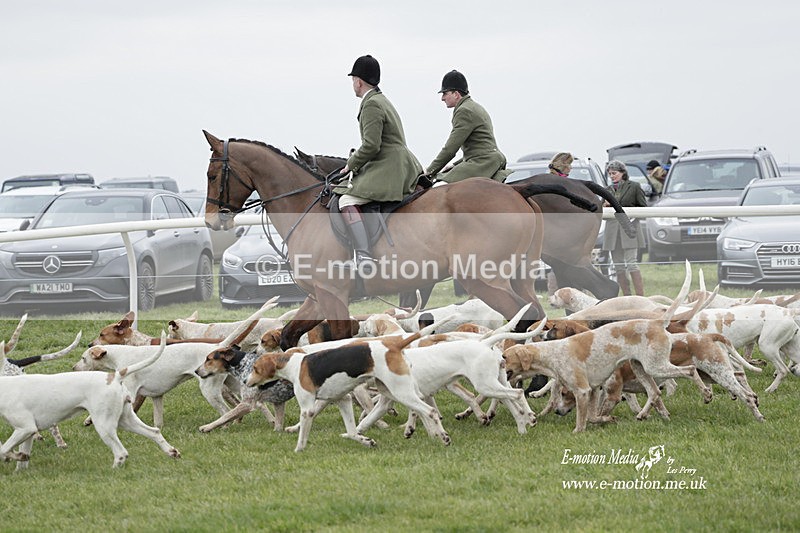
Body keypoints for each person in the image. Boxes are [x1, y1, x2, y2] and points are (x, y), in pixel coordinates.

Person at [335, 54, 423, 269]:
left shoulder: (371, 104)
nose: (353, 85)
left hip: (389, 165)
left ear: (359, 81)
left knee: (346, 201)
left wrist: (351, 164)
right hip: (397, 160)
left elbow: (372, 145)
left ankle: (364, 256)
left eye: (353, 80)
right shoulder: (381, 99)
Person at [423, 70, 511, 184]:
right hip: (490, 159)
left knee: (440, 185)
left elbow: (450, 149)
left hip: (483, 162)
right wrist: (454, 165)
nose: (442, 98)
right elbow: (477, 148)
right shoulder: (474, 107)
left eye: (445, 93)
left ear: (456, 94)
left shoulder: (464, 111)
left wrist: (429, 172)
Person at [602, 160, 647, 296]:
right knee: (618, 266)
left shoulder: (634, 186)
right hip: (613, 233)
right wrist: (605, 206)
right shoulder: (606, 190)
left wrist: (631, 218)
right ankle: (627, 296)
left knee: (632, 263)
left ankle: (640, 297)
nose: (612, 176)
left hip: (630, 230)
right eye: (610, 174)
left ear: (622, 173)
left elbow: (643, 209)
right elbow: (601, 214)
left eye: (614, 173)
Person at [545, 152, 574, 296]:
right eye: (569, 165)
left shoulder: (553, 180)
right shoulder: (557, 182)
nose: (571, 169)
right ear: (563, 166)